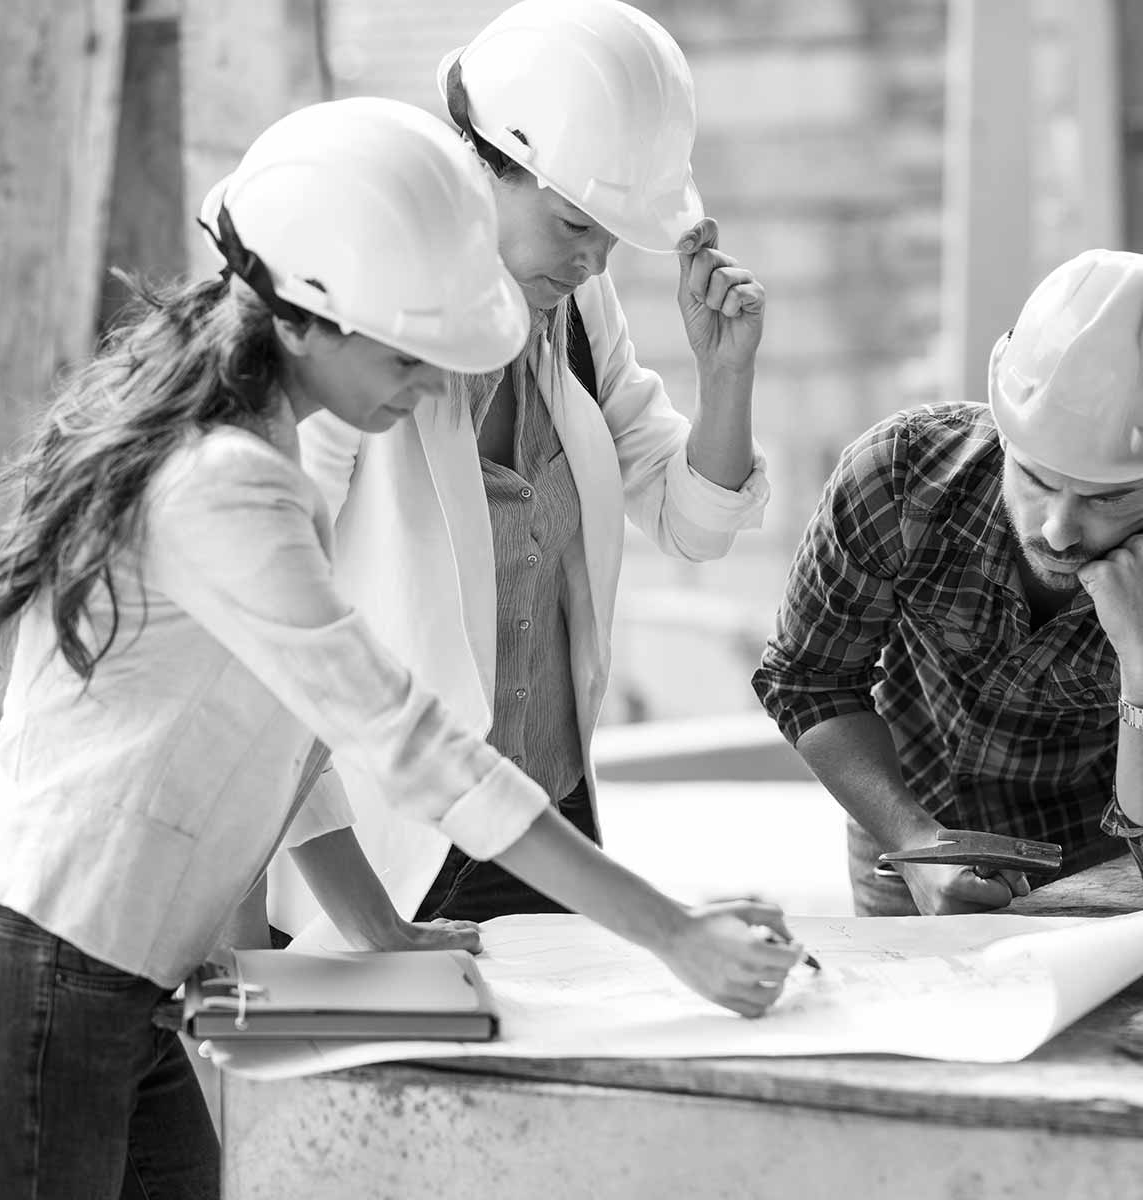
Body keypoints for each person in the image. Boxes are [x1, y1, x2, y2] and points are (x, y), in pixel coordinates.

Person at [0, 98, 801, 1200]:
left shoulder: (264, 459)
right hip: (36, 1002)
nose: (428, 387)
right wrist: (677, 936)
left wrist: (376, 931)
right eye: (410, 354)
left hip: (107, 999)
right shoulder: (225, 489)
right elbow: (399, 736)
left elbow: (308, 739)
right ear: (301, 321)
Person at [268, 0, 771, 938]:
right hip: (394, 863)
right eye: (576, 225)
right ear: (484, 171)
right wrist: (373, 931)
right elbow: (281, 661)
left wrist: (726, 374)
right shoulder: (356, 344)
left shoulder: (577, 312)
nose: (594, 261)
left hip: (552, 830)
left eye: (613, 237)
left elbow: (693, 526)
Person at [753, 249, 1143, 917]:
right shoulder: (900, 478)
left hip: (1106, 877)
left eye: (1106, 498)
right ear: (1005, 429)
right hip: (905, 831)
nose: (1059, 530)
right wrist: (916, 844)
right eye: (1036, 480)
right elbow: (808, 677)